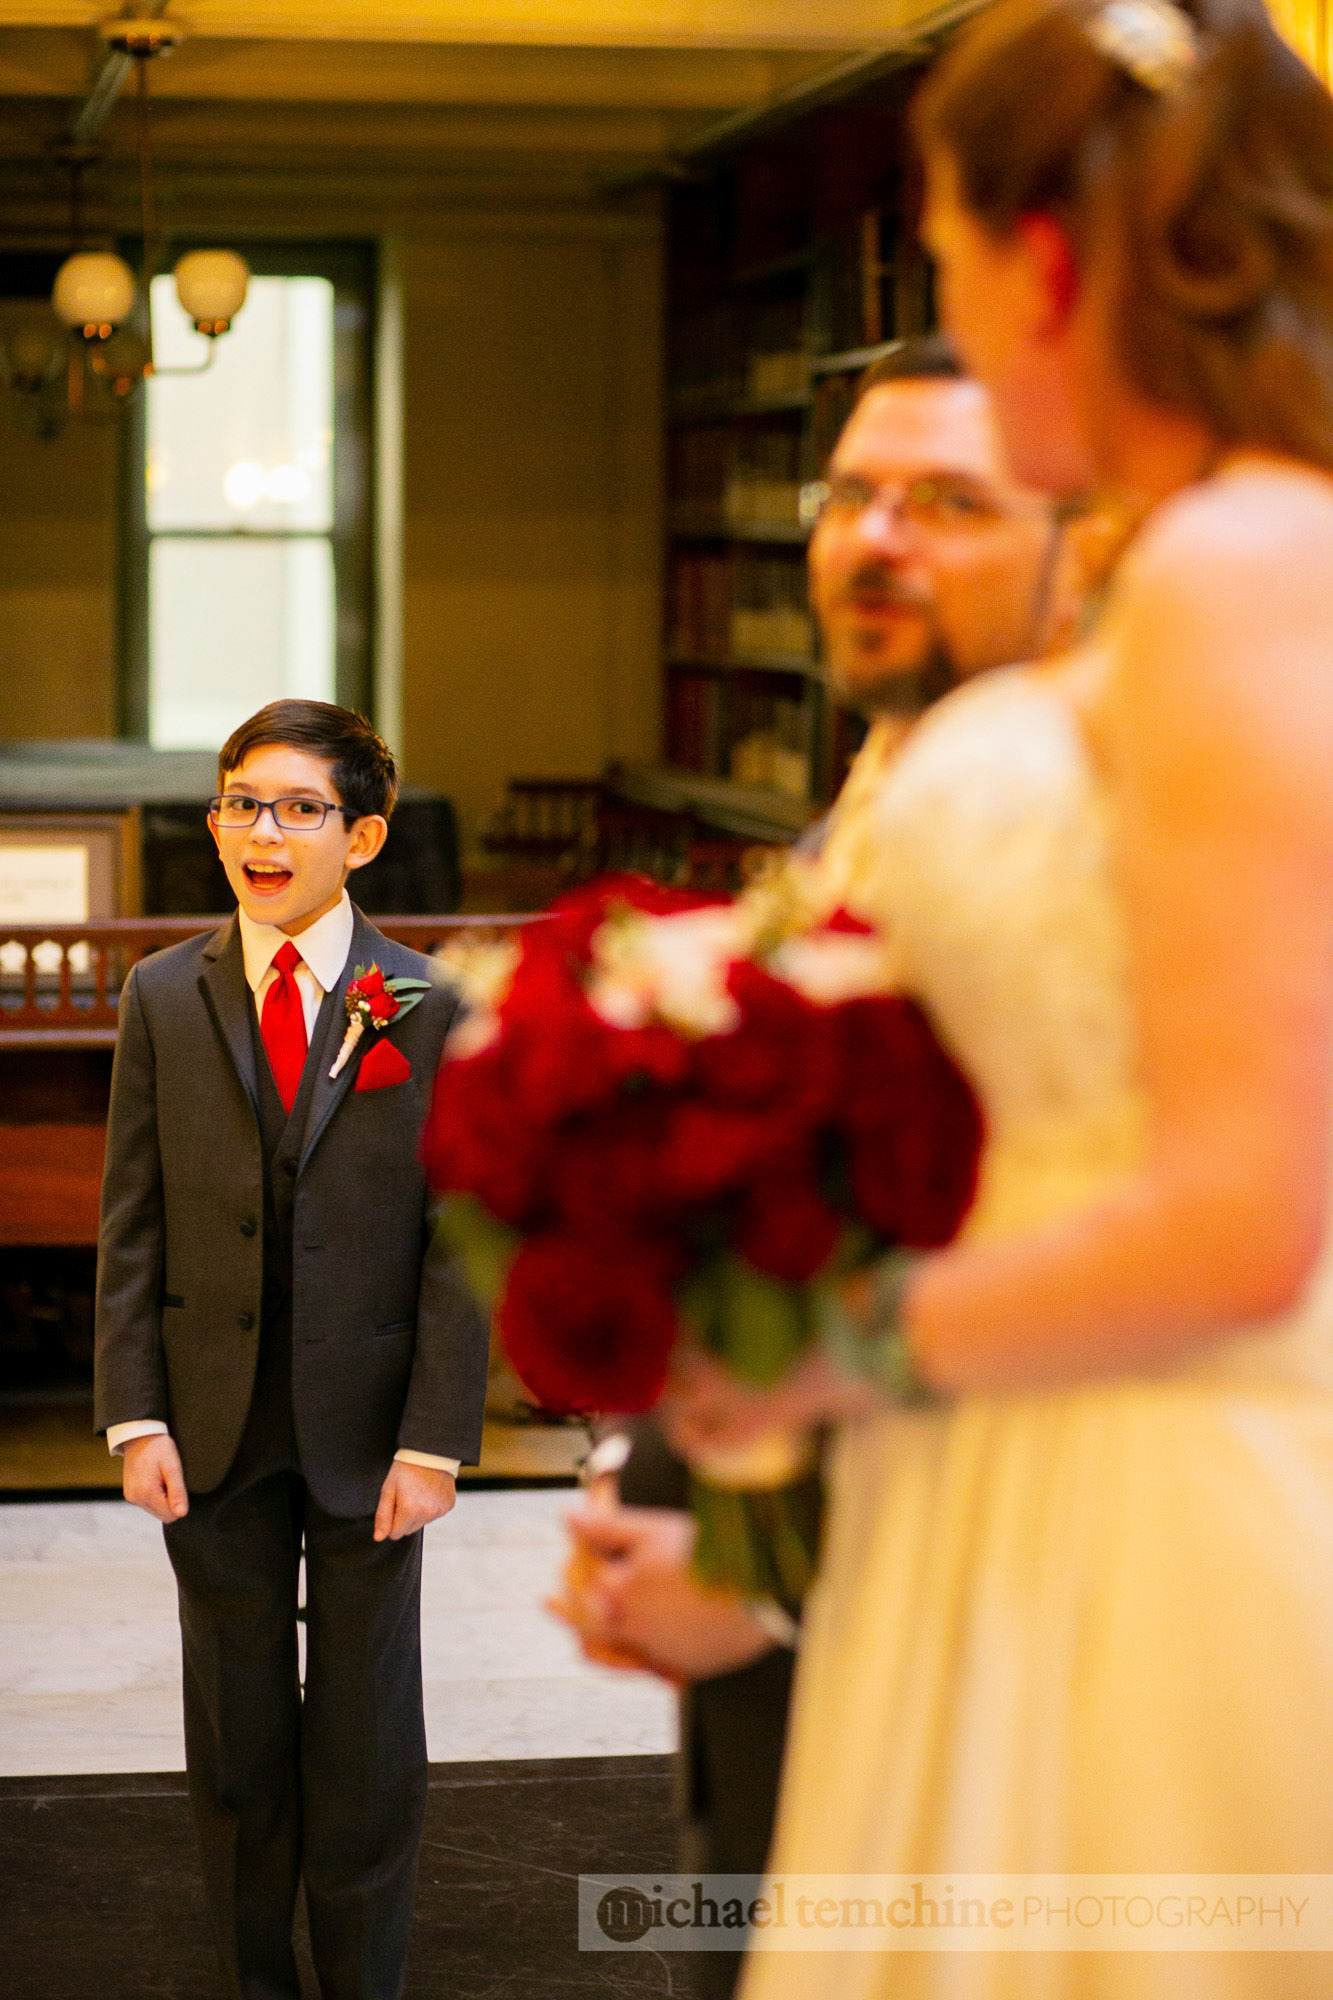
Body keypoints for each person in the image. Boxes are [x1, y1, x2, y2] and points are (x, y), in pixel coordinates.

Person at [664, 2, 1333, 1996]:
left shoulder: (1233, 564)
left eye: (945, 252)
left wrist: (817, 1352)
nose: (942, 296)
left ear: (1039, 260)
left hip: (1139, 1488)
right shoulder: (1189, 561)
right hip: (1013, 1458)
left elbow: (1242, 1214)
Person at [554, 337, 1065, 1999]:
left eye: (947, 501)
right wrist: (661, 1433)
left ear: (1084, 543)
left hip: (929, 1623)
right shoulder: (864, 807)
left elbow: (1073, 1292)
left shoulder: (1066, 848)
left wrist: (773, 1591)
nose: (872, 538)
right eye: (847, 492)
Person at [94, 699, 490, 2000]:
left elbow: (457, 1243)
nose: (262, 833)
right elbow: (132, 1221)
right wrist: (132, 1414)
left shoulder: (425, 1003)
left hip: (373, 1430)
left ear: (363, 836)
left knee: (367, 1739)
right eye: (239, 802)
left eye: (298, 808)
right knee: (236, 1736)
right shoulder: (163, 995)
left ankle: (362, 1981)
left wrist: (436, 1438)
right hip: (209, 1423)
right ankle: (253, 1978)